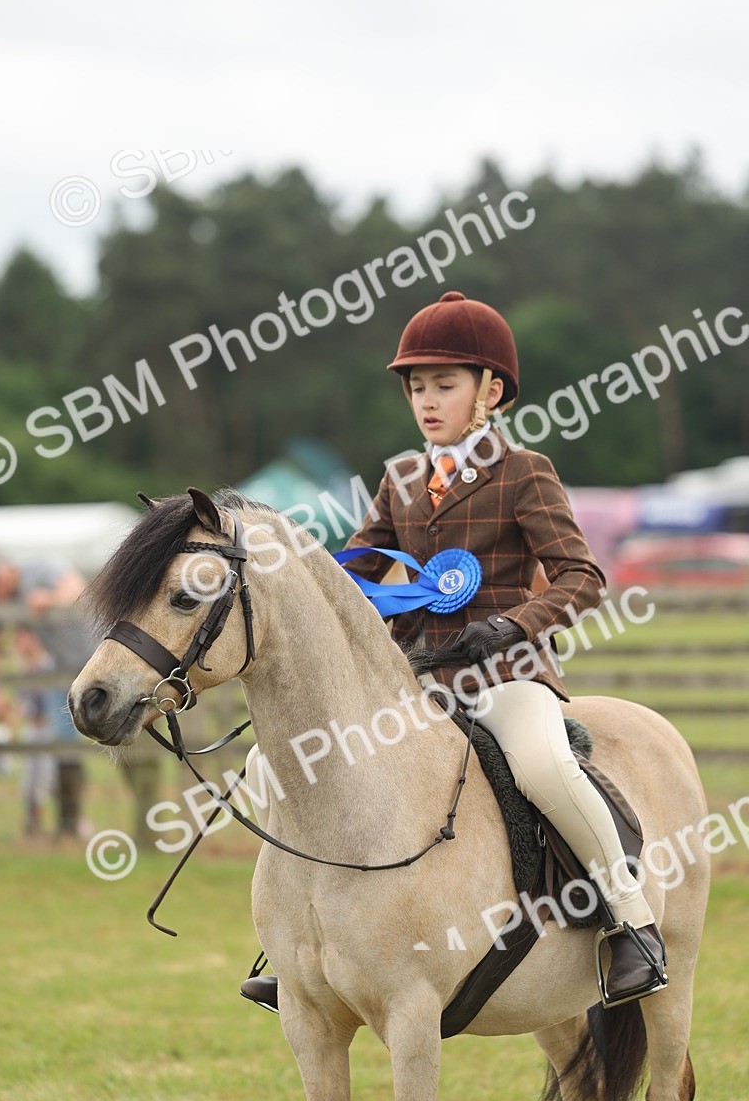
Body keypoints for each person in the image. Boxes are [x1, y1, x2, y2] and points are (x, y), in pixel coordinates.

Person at [241, 291, 667, 1014]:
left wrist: (512, 626)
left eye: (445, 384)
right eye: (416, 386)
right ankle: (296, 943)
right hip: (416, 683)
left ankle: (633, 923)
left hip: (508, 674)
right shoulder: (401, 478)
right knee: (273, 761)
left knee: (544, 764)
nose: (427, 401)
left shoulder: (524, 470)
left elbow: (582, 576)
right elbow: (355, 576)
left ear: (490, 391)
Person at [0, 558, 96, 837]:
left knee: (127, 744)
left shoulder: (40, 570)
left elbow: (78, 590)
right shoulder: (4, 598)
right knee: (62, 744)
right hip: (62, 674)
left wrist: (50, 598)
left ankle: (145, 816)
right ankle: (68, 824)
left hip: (99, 661)